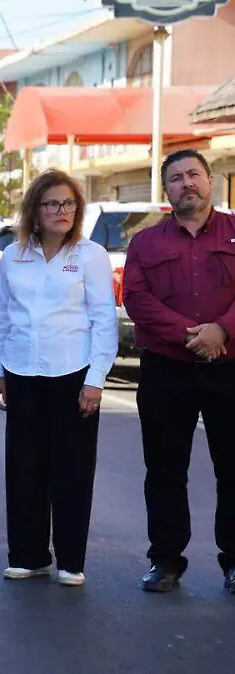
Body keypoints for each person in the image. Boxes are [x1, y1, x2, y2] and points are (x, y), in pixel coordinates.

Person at [0, 170, 118, 587]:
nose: (62, 211)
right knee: (25, 467)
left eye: (69, 204)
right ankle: (29, 556)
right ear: (35, 211)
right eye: (52, 204)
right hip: (22, 372)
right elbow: (2, 314)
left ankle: (70, 561)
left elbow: (103, 320)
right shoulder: (13, 255)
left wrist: (95, 379)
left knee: (73, 470)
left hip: (74, 375)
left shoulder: (91, 255)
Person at [124, 149, 235, 595]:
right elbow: (137, 299)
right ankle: (166, 561)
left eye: (193, 174)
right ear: (165, 189)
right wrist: (193, 335)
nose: (186, 183)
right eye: (175, 178)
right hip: (166, 370)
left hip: (230, 369)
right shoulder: (145, 243)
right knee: (165, 469)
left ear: (210, 181)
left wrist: (222, 331)